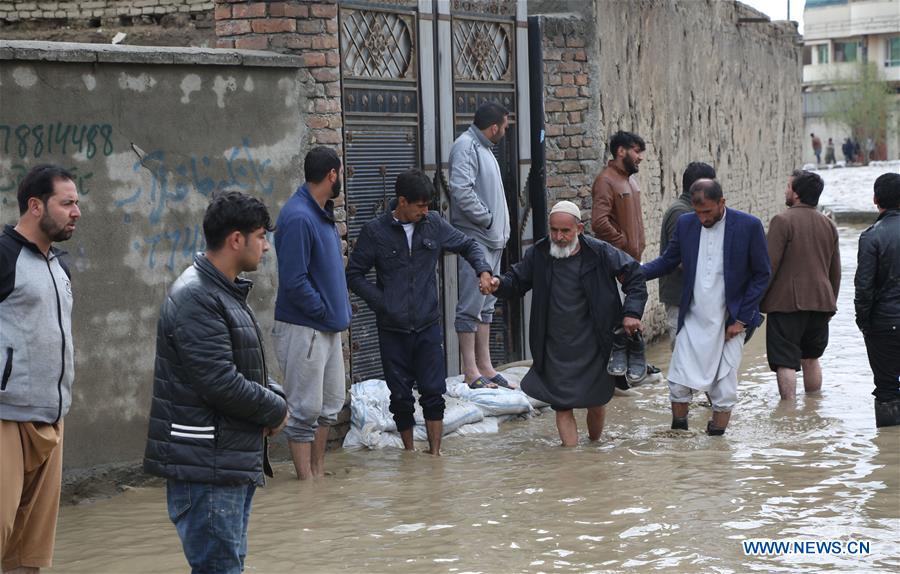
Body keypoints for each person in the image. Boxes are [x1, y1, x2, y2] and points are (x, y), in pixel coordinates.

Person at [143, 191, 289, 574]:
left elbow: (244, 367)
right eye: (261, 236)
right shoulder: (197, 297)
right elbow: (220, 382)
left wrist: (274, 396)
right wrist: (276, 408)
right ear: (236, 240)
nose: (266, 247)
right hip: (206, 467)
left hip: (224, 461)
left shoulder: (221, 291)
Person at [347, 170, 493, 455]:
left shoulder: (433, 225)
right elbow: (354, 274)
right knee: (400, 397)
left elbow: (468, 244)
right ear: (402, 201)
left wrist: (483, 270)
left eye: (428, 206)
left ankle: (435, 454)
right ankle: (410, 453)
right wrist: (383, 303)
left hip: (427, 326)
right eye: (420, 206)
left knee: (433, 392)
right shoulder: (375, 232)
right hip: (392, 330)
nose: (425, 211)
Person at [488, 201, 647, 446]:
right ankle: (571, 461)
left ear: (579, 229)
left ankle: (594, 447)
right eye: (554, 231)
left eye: (565, 231)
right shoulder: (540, 254)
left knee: (596, 401)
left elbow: (635, 275)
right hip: (555, 345)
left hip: (594, 342)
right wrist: (499, 284)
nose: (559, 237)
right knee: (562, 405)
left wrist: (632, 313)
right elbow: (517, 279)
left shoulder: (600, 253)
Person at [642, 179, 770, 436]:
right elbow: (668, 261)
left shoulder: (749, 226)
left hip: (729, 323)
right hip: (692, 319)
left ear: (722, 202)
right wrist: (635, 273)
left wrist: (742, 320)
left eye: (707, 212)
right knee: (678, 382)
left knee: (724, 388)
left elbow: (762, 274)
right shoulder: (686, 223)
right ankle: (680, 441)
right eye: (698, 212)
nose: (702, 218)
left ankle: (717, 450)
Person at [0, 165, 80, 573]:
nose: (76, 211)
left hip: (53, 417)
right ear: (35, 205)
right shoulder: (3, 255)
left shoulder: (60, 265)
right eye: (67, 203)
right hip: (6, 418)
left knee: (30, 556)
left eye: (76, 203)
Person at [273, 146, 352, 480]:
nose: (342, 178)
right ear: (331, 174)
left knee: (330, 405)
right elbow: (294, 281)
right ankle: (306, 485)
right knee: (305, 410)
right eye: (341, 172)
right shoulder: (298, 216)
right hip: (305, 327)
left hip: (328, 327)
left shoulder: (321, 212)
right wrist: (322, 310)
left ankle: (318, 475)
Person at [448, 101, 512, 389]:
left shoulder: (485, 149)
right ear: (495, 126)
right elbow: (461, 190)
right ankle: (470, 370)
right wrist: (486, 220)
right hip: (477, 239)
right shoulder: (466, 146)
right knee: (470, 305)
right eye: (506, 126)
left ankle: (485, 366)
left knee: (487, 305)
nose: (506, 131)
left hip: (494, 240)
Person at [761, 170, 840, 400]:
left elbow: (768, 267)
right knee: (811, 357)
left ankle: (788, 413)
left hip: (787, 305)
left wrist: (754, 302)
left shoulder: (782, 220)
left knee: (785, 361)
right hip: (821, 303)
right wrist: (830, 302)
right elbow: (835, 271)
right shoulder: (829, 224)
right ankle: (813, 408)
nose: (786, 190)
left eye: (788, 186)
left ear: (796, 194)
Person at [855, 172, 900, 427]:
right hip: (884, 321)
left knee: (885, 388)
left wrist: (864, 322)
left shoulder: (872, 236)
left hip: (884, 325)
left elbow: (863, 287)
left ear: (875, 199)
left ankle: (888, 455)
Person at [659, 162, 716, 347]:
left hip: (691, 296)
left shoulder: (691, 211)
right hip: (680, 296)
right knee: (683, 353)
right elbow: (680, 259)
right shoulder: (681, 214)